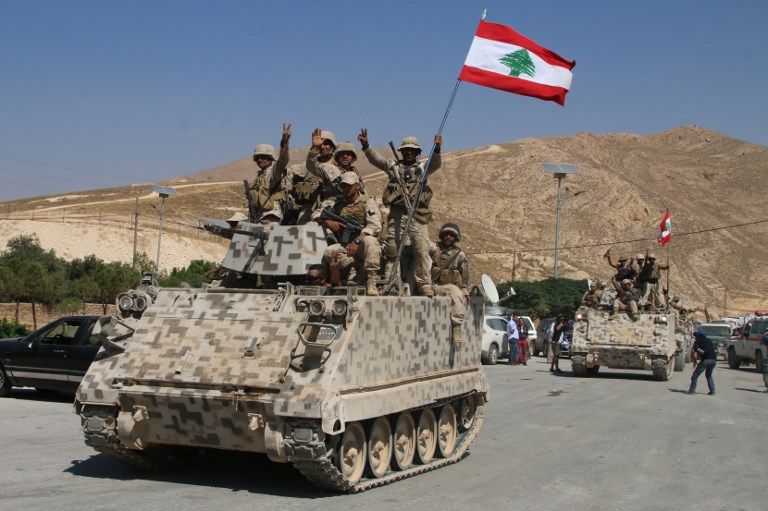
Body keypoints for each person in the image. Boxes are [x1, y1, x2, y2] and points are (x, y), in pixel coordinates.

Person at [358, 128, 442, 296]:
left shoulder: (423, 168)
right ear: (402, 152)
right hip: (397, 215)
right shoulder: (394, 167)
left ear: (417, 152)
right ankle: (391, 283)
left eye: (412, 150)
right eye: (406, 150)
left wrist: (438, 149)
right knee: (392, 250)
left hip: (417, 216)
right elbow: (378, 160)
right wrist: (366, 146)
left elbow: (436, 163)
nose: (409, 152)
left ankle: (425, 284)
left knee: (422, 251)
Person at [313, 172, 382, 296]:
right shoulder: (337, 203)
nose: (345, 189)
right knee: (329, 252)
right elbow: (316, 213)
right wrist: (327, 220)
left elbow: (375, 225)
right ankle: (353, 271)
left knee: (371, 241)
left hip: (362, 245)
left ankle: (371, 283)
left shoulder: (367, 202)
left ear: (357, 186)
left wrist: (358, 240)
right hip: (346, 245)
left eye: (348, 186)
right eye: (343, 186)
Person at [430, 222, 469, 342]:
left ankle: (456, 327)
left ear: (455, 238)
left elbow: (464, 276)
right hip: (434, 285)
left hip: (450, 287)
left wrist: (464, 289)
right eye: (446, 234)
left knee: (457, 293)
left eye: (451, 235)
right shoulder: (434, 250)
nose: (448, 237)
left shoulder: (460, 255)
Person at [248, 123, 292, 226]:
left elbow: (282, 161)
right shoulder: (260, 176)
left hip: (271, 215)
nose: (260, 159)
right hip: (259, 215)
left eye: (263, 157)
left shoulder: (273, 171)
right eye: (258, 157)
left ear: (270, 158)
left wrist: (284, 143)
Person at [688, 330, 717, 395]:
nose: (695, 338)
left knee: (695, 375)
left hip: (706, 360)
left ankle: (692, 390)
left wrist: (695, 361)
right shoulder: (709, 340)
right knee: (709, 375)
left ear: (698, 336)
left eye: (695, 336)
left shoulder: (697, 342)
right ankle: (712, 391)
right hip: (714, 360)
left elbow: (694, 352)